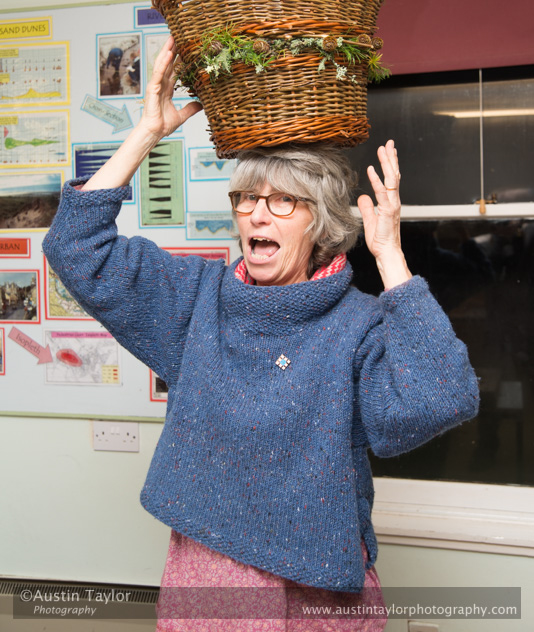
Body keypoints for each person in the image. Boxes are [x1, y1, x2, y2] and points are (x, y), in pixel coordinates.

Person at [43, 36, 480, 631]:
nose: (257, 213)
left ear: (320, 222)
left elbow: (442, 396)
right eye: (247, 197)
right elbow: (74, 246)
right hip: (210, 575)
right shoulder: (197, 301)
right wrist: (148, 131)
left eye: (282, 201)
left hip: (320, 587)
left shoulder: (358, 324)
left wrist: (390, 257)